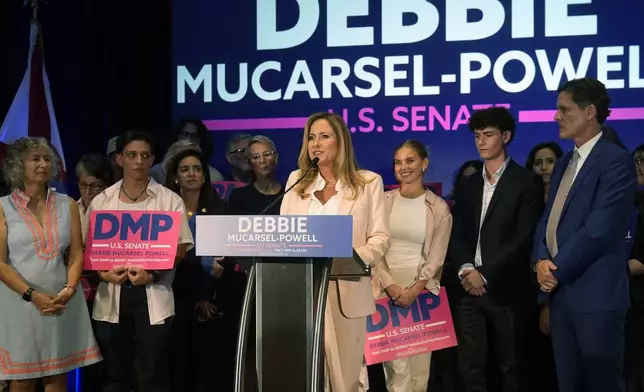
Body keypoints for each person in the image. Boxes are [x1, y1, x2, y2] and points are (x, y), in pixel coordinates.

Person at [533, 78, 637, 392]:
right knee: (569, 383)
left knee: (602, 382)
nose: (556, 116)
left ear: (590, 111)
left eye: (564, 109)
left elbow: (599, 229)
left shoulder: (616, 160)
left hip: (597, 296)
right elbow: (546, 221)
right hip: (561, 294)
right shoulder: (565, 161)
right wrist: (540, 259)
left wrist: (555, 270)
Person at [280, 112, 390, 391]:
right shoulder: (297, 181)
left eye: (324, 136)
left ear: (340, 142)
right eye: (311, 137)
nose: (316, 143)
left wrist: (351, 258)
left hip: (346, 290)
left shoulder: (367, 183)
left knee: (344, 379)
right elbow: (283, 235)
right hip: (302, 292)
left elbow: (380, 238)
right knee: (304, 376)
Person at [82, 130, 194, 392]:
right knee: (115, 375)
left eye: (145, 156)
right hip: (111, 295)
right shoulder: (102, 201)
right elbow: (88, 248)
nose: (139, 161)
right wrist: (103, 273)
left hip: (154, 294)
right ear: (120, 159)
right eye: (132, 155)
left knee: (152, 375)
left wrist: (152, 274)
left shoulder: (169, 200)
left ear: (153, 159)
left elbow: (181, 248)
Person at [445, 107, 544, 392]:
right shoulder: (470, 185)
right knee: (469, 368)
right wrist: (466, 269)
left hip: (506, 290)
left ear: (506, 136)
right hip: (467, 289)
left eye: (488, 135)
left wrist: (484, 274)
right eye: (477, 136)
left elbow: (524, 238)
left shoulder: (527, 181)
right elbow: (458, 232)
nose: (481, 141)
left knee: (511, 367)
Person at [0, 137, 101, 390]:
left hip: (62, 301)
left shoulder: (67, 204)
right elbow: (0, 263)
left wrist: (69, 289)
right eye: (35, 159)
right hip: (19, 303)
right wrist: (32, 295)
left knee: (57, 376)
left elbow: (77, 254)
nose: (44, 164)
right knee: (23, 379)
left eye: (47, 158)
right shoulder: (2, 207)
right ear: (17, 165)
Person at [376, 140, 452, 392]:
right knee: (396, 372)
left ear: (424, 164)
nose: (403, 167)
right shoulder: (383, 202)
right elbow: (373, 250)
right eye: (398, 162)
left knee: (420, 373)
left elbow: (437, 258)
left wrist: (414, 289)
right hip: (387, 292)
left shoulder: (438, 208)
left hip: (421, 294)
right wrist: (391, 286)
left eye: (410, 161)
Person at [164, 149, 228, 392]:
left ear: (204, 176)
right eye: (185, 169)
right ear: (175, 177)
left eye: (197, 169)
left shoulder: (218, 206)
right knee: (177, 363)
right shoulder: (166, 208)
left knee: (207, 366)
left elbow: (222, 256)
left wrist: (206, 295)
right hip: (173, 292)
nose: (191, 174)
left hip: (210, 295)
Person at [228, 135, 283, 215]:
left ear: (276, 158)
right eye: (256, 157)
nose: (262, 160)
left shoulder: (289, 193)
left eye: (267, 154)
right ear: (250, 163)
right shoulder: (239, 196)